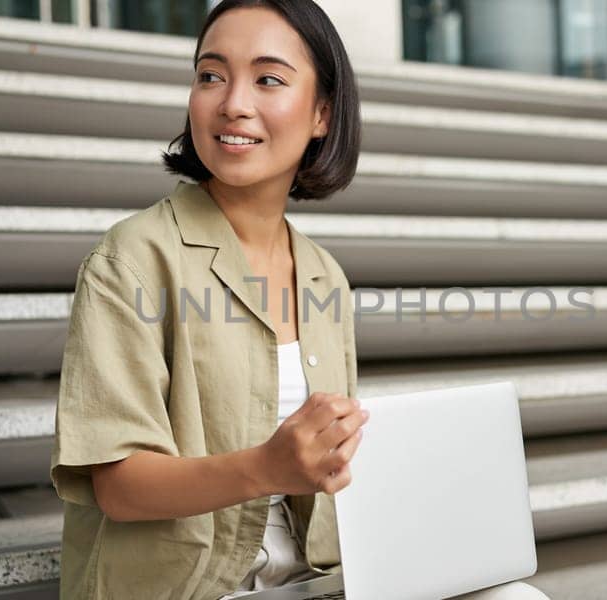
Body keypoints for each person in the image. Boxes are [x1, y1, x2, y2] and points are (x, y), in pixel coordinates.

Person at [50, 1, 547, 598]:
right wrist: (267, 466)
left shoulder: (321, 275)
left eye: (268, 79)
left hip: (316, 582)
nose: (233, 102)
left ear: (321, 114)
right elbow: (119, 487)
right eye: (211, 75)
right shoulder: (130, 259)